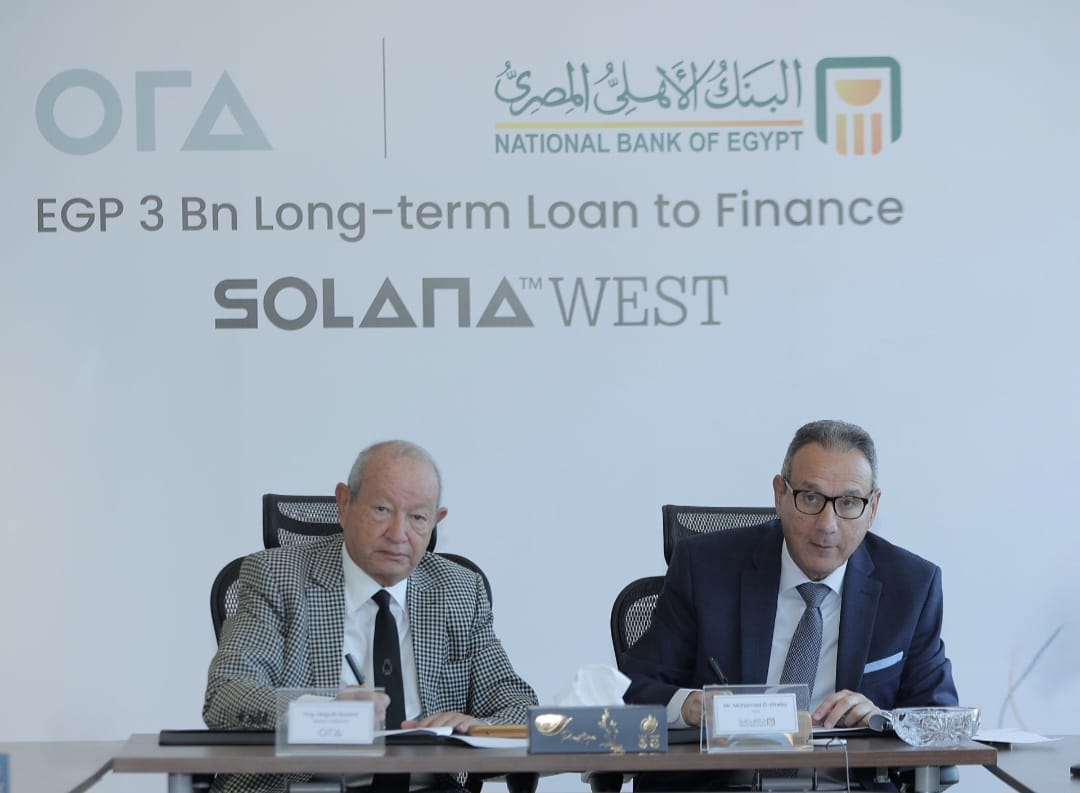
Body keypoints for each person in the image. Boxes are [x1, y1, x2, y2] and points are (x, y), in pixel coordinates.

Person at [621, 420, 957, 790]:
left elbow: (941, 719)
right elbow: (632, 690)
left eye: (848, 503)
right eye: (810, 498)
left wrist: (885, 719)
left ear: (873, 507)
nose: (827, 524)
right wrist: (689, 707)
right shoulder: (704, 569)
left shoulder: (911, 586)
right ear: (780, 494)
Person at [204, 440, 537, 793]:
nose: (398, 534)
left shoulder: (459, 590)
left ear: (435, 522)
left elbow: (518, 706)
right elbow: (227, 697)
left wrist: (479, 729)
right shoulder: (277, 578)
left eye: (418, 518)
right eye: (382, 510)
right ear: (344, 504)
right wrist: (323, 714)